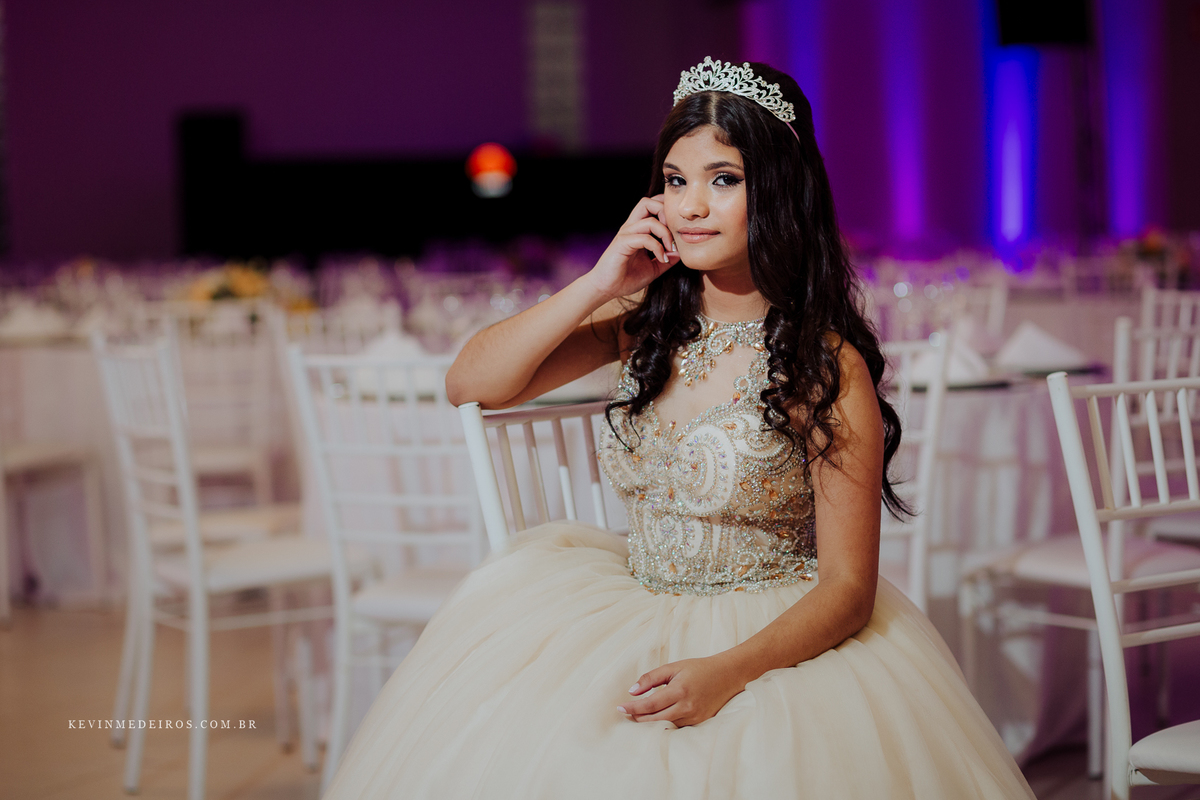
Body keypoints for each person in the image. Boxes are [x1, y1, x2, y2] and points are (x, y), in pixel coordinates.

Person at [324, 58, 1034, 799]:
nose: (692, 205)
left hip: (768, 642)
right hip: (623, 612)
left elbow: (850, 588)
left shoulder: (823, 365)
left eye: (723, 179)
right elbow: (469, 383)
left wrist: (725, 672)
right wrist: (601, 281)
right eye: (674, 180)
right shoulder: (644, 325)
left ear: (779, 191)